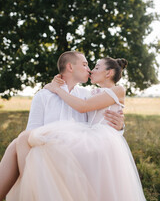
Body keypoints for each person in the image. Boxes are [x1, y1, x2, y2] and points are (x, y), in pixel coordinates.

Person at [6, 56, 146, 201]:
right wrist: (53, 86)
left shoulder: (111, 91)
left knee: (21, 141)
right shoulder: (91, 93)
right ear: (70, 67)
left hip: (98, 140)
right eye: (86, 65)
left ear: (108, 73)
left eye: (95, 67)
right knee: (17, 144)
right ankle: (32, 192)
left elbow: (83, 107)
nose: (90, 70)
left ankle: (31, 193)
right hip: (89, 136)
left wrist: (57, 89)